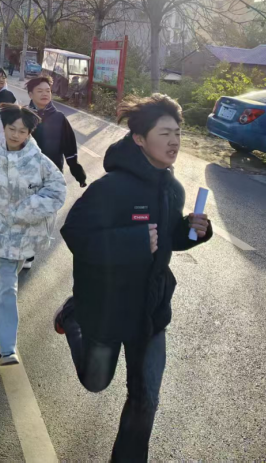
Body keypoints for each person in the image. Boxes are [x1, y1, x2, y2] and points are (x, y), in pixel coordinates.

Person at [55, 94, 213, 462]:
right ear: (140, 138)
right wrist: (133, 241)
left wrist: (193, 231)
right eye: (164, 133)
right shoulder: (111, 188)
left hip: (151, 311)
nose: (174, 142)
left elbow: (166, 240)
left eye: (178, 133)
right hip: (107, 308)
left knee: (145, 398)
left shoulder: (173, 188)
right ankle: (72, 316)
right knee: (96, 381)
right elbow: (74, 233)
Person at [0, 104, 66, 365]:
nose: (16, 135)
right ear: (4, 128)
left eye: (22, 131)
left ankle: (5, 340)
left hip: (29, 233)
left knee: (6, 281)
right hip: (2, 231)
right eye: (11, 129)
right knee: (7, 284)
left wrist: (25, 210)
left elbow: (58, 191)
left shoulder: (40, 162)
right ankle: (7, 348)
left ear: (29, 133)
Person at [23, 75, 86, 271]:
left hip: (52, 175)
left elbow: (70, 148)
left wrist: (77, 172)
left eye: (48, 91)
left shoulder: (59, 118)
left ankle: (32, 242)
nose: (45, 94)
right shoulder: (22, 116)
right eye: (40, 91)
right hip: (26, 174)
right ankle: (27, 250)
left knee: (44, 215)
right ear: (30, 94)